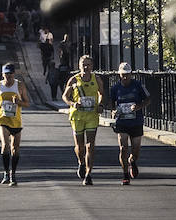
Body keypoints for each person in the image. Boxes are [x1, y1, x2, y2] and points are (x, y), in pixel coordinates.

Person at [0, 62, 31, 186]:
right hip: (3, 120)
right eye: (6, 74)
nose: (8, 77)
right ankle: (6, 172)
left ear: (14, 74)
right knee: (5, 145)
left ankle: (13, 174)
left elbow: (27, 103)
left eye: (10, 74)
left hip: (16, 121)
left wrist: (19, 102)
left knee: (15, 149)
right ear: (2, 74)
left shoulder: (19, 86)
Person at [108, 62, 151, 185]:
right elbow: (111, 102)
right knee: (123, 147)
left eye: (127, 75)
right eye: (123, 75)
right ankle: (125, 174)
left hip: (136, 121)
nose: (125, 77)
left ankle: (132, 161)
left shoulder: (138, 86)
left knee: (136, 150)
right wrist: (113, 111)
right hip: (122, 121)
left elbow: (148, 99)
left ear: (131, 74)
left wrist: (138, 106)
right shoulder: (115, 88)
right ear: (119, 75)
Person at [63, 55, 103, 185]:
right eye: (83, 65)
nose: (86, 67)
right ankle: (81, 162)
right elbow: (65, 96)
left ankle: (88, 173)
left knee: (90, 146)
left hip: (91, 115)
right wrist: (73, 104)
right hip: (77, 116)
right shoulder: (74, 80)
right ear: (79, 66)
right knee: (80, 147)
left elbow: (101, 93)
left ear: (92, 66)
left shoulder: (96, 79)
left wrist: (100, 105)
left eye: (88, 65)